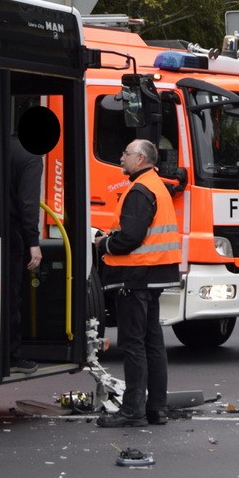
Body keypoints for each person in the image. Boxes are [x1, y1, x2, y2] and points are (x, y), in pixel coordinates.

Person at [94, 140, 180, 427]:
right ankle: (156, 408)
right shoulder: (155, 186)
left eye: (125, 153)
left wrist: (103, 243)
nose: (121, 157)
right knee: (152, 342)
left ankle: (133, 411)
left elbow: (129, 238)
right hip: (153, 276)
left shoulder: (140, 190)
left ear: (140, 158)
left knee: (133, 344)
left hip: (135, 276)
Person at [7, 135, 44, 375]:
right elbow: (28, 203)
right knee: (11, 295)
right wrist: (33, 241)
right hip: (12, 234)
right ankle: (12, 354)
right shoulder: (30, 157)